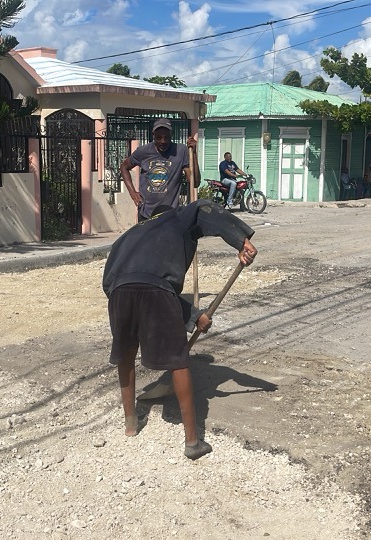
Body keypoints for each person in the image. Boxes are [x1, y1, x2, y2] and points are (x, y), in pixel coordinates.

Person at [102, 199, 257, 460]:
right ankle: (193, 442)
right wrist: (241, 240)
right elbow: (203, 208)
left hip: (118, 291)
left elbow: (128, 280)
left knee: (126, 353)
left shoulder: (131, 234)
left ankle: (130, 425)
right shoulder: (177, 217)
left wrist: (195, 317)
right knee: (178, 361)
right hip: (157, 290)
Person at [120, 118, 199, 222]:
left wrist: (193, 153)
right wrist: (132, 192)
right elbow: (124, 167)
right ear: (153, 135)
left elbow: (195, 182)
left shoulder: (181, 151)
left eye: (166, 137)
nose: (163, 141)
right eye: (159, 137)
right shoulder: (143, 151)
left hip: (170, 215)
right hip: (146, 213)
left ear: (172, 134)